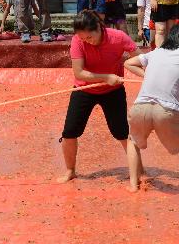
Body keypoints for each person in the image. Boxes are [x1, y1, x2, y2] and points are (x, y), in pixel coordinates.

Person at [124, 23, 179, 192]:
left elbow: (129, 63)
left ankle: (133, 185)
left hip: (140, 107)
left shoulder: (156, 52)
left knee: (132, 142)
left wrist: (147, 75)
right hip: (166, 109)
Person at [58, 10, 137, 183]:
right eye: (83, 38)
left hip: (113, 90)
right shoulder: (77, 41)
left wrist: (147, 76)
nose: (87, 41)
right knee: (69, 132)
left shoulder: (119, 37)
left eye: (90, 37)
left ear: (99, 28)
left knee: (122, 132)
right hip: (85, 89)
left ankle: (139, 170)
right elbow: (79, 73)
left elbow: (139, 58)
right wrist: (105, 77)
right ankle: (70, 170)